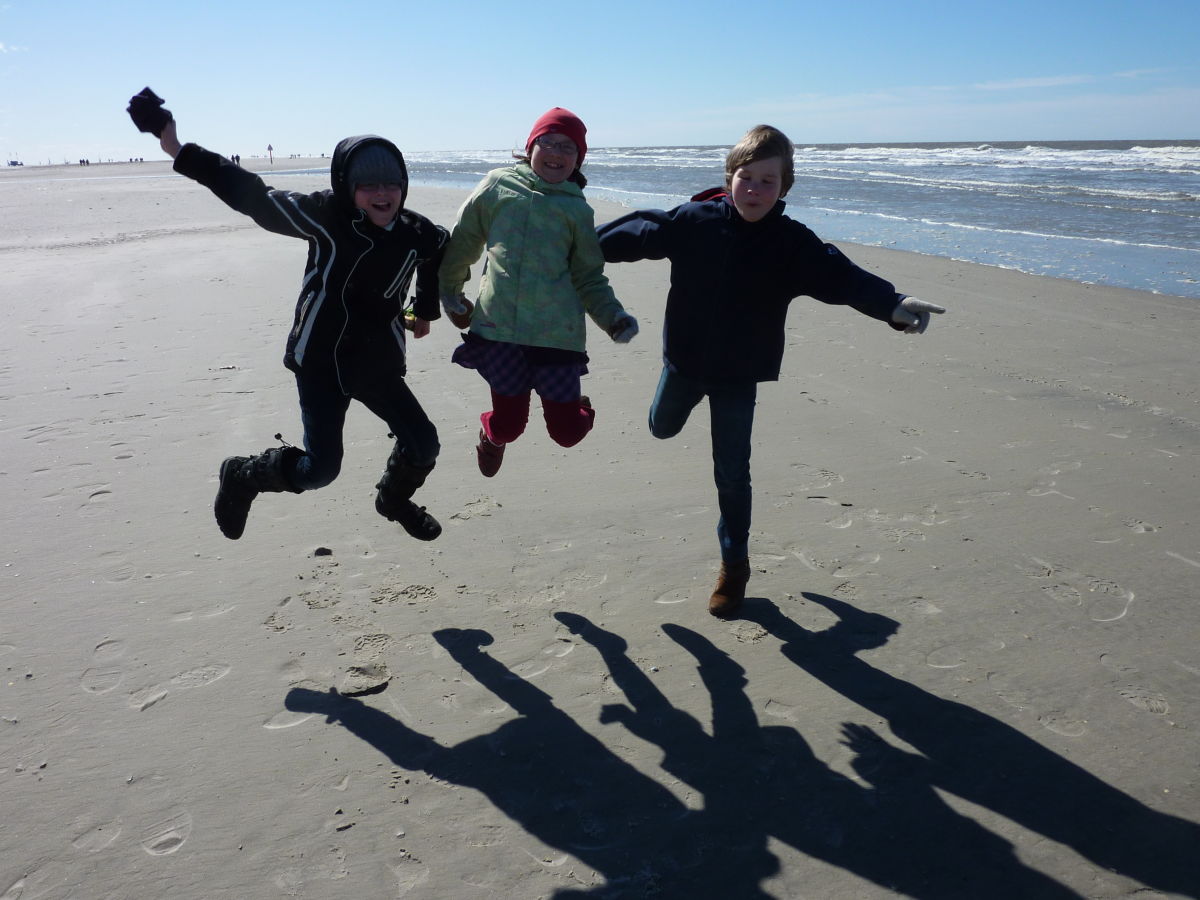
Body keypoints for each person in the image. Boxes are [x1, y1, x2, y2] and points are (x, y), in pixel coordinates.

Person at [596, 124, 945, 618]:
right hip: (686, 363)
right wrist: (569, 245)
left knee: (733, 474)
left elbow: (840, 276)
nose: (755, 190)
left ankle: (734, 567)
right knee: (660, 427)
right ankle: (681, 404)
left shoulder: (790, 243)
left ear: (785, 188)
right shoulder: (694, 221)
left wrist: (892, 303)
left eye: (768, 181)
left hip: (739, 374)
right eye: (747, 177)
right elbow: (634, 233)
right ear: (729, 176)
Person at [127, 90, 449, 542]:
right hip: (319, 363)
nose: (382, 194)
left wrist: (425, 308)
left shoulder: (416, 233)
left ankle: (392, 500)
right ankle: (243, 475)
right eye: (368, 185)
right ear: (346, 186)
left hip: (377, 365)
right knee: (319, 471)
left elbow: (439, 251)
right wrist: (180, 151)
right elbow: (254, 196)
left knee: (424, 444)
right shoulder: (325, 217)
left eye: (391, 184)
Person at [438, 107, 639, 477]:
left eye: (569, 147)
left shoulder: (577, 210)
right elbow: (465, 239)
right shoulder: (498, 186)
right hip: (501, 332)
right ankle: (490, 435)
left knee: (568, 433)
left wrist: (613, 317)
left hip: (557, 338)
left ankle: (579, 405)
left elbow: (589, 277)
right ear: (530, 146)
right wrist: (451, 290)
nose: (557, 153)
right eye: (548, 142)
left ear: (579, 159)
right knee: (508, 426)